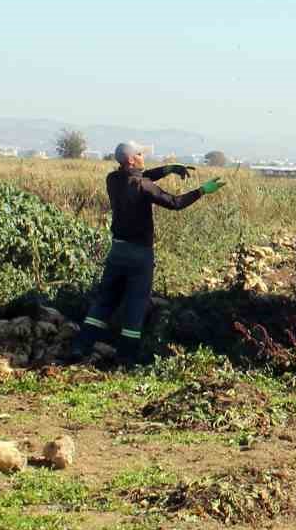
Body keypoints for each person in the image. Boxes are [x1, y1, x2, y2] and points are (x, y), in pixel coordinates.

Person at [68, 141, 226, 365]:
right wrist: (202, 190)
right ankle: (126, 357)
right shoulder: (144, 186)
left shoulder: (112, 180)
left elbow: (141, 176)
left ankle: (80, 346)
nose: (144, 157)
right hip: (140, 255)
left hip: (117, 251)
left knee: (104, 302)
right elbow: (175, 202)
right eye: (140, 154)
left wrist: (169, 169)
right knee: (136, 303)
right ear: (132, 159)